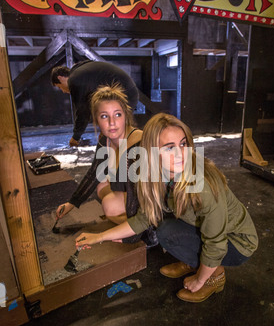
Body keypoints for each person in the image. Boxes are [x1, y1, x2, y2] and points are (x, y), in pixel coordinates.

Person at [75, 113, 258, 303]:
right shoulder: (158, 175)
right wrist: (100, 237)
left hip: (236, 243)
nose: (181, 154)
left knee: (166, 233)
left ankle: (214, 276)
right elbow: (142, 219)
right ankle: (193, 261)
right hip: (209, 233)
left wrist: (199, 280)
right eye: (169, 148)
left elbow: (216, 244)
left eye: (183, 143)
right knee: (162, 222)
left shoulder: (202, 185)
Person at [56, 82, 143, 232]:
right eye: (104, 116)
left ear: (126, 115)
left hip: (147, 197)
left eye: (117, 114)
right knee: (101, 186)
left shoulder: (139, 142)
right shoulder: (105, 140)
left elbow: (147, 190)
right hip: (128, 189)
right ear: (96, 120)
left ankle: (147, 228)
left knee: (110, 206)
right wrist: (72, 203)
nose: (112, 123)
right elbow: (95, 173)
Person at [51, 60, 139, 147]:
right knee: (109, 135)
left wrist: (75, 137)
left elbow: (83, 112)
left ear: (60, 78)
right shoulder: (81, 72)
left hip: (125, 95)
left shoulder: (75, 79)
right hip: (127, 91)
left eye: (59, 87)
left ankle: (129, 154)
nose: (63, 91)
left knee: (114, 135)